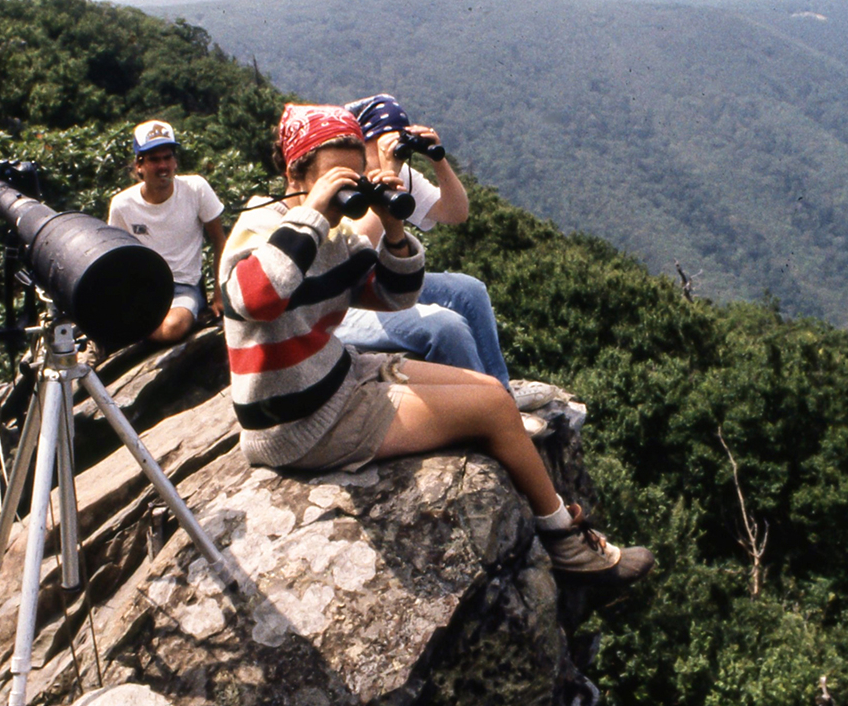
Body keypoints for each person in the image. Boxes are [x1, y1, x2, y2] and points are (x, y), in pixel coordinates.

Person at [220, 103, 652, 584]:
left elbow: (394, 294)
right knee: (489, 412)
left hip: (339, 376)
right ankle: (566, 542)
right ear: (294, 171)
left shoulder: (340, 237)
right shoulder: (260, 230)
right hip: (301, 424)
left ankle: (552, 518)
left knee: (492, 394)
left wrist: (393, 225)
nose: (349, 183)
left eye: (355, 171)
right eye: (336, 174)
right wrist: (315, 214)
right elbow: (255, 298)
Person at [333, 95, 555, 414]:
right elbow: (358, 244)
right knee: (445, 325)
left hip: (385, 286)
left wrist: (438, 160)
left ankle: (501, 395)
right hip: (344, 305)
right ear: (362, 142)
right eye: (385, 139)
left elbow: (455, 212)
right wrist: (387, 176)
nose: (395, 148)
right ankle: (486, 412)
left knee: (469, 290)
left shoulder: (401, 176)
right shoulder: (345, 184)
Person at [108, 120, 226, 344]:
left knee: (172, 327)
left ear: (175, 162)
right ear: (139, 165)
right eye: (154, 159)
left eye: (167, 157)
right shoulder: (122, 205)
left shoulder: (196, 189)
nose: (163, 166)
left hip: (184, 287)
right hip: (142, 289)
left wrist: (219, 295)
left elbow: (220, 241)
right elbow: (117, 258)